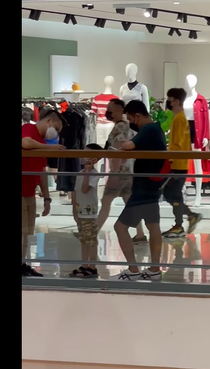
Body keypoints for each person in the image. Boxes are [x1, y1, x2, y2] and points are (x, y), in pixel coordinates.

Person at [112, 100, 166, 280]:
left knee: (120, 227)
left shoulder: (148, 129)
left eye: (130, 118)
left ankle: (133, 270)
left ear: (137, 115)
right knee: (153, 227)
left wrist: (118, 145)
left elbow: (128, 146)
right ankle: (154, 269)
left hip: (143, 189)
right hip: (151, 186)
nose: (131, 122)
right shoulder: (157, 129)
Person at [21, 110, 66, 277]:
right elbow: (25, 142)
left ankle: (23, 263)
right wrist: (49, 147)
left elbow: (42, 172)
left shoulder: (41, 141)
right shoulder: (28, 129)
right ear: (48, 122)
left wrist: (47, 197)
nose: (55, 132)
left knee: (26, 232)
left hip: (29, 193)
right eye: (56, 128)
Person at [96, 98, 147, 243]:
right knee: (129, 202)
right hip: (129, 172)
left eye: (110, 109)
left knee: (106, 202)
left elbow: (119, 150)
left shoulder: (120, 127)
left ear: (119, 111)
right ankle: (140, 234)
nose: (108, 112)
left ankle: (93, 232)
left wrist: (115, 173)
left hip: (119, 172)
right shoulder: (128, 126)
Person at [161, 88, 201, 238]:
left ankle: (182, 222)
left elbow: (176, 144)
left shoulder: (178, 119)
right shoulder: (181, 117)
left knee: (171, 194)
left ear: (176, 101)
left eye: (170, 99)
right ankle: (185, 219)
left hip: (176, 164)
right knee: (173, 194)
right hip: (180, 163)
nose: (168, 103)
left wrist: (169, 159)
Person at [69, 143, 105, 278]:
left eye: (86, 153)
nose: (82, 156)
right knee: (84, 240)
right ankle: (84, 265)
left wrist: (88, 172)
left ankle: (92, 267)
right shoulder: (80, 173)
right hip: (80, 211)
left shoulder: (94, 174)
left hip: (90, 213)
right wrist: (74, 209)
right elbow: (76, 192)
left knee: (91, 240)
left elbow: (85, 189)